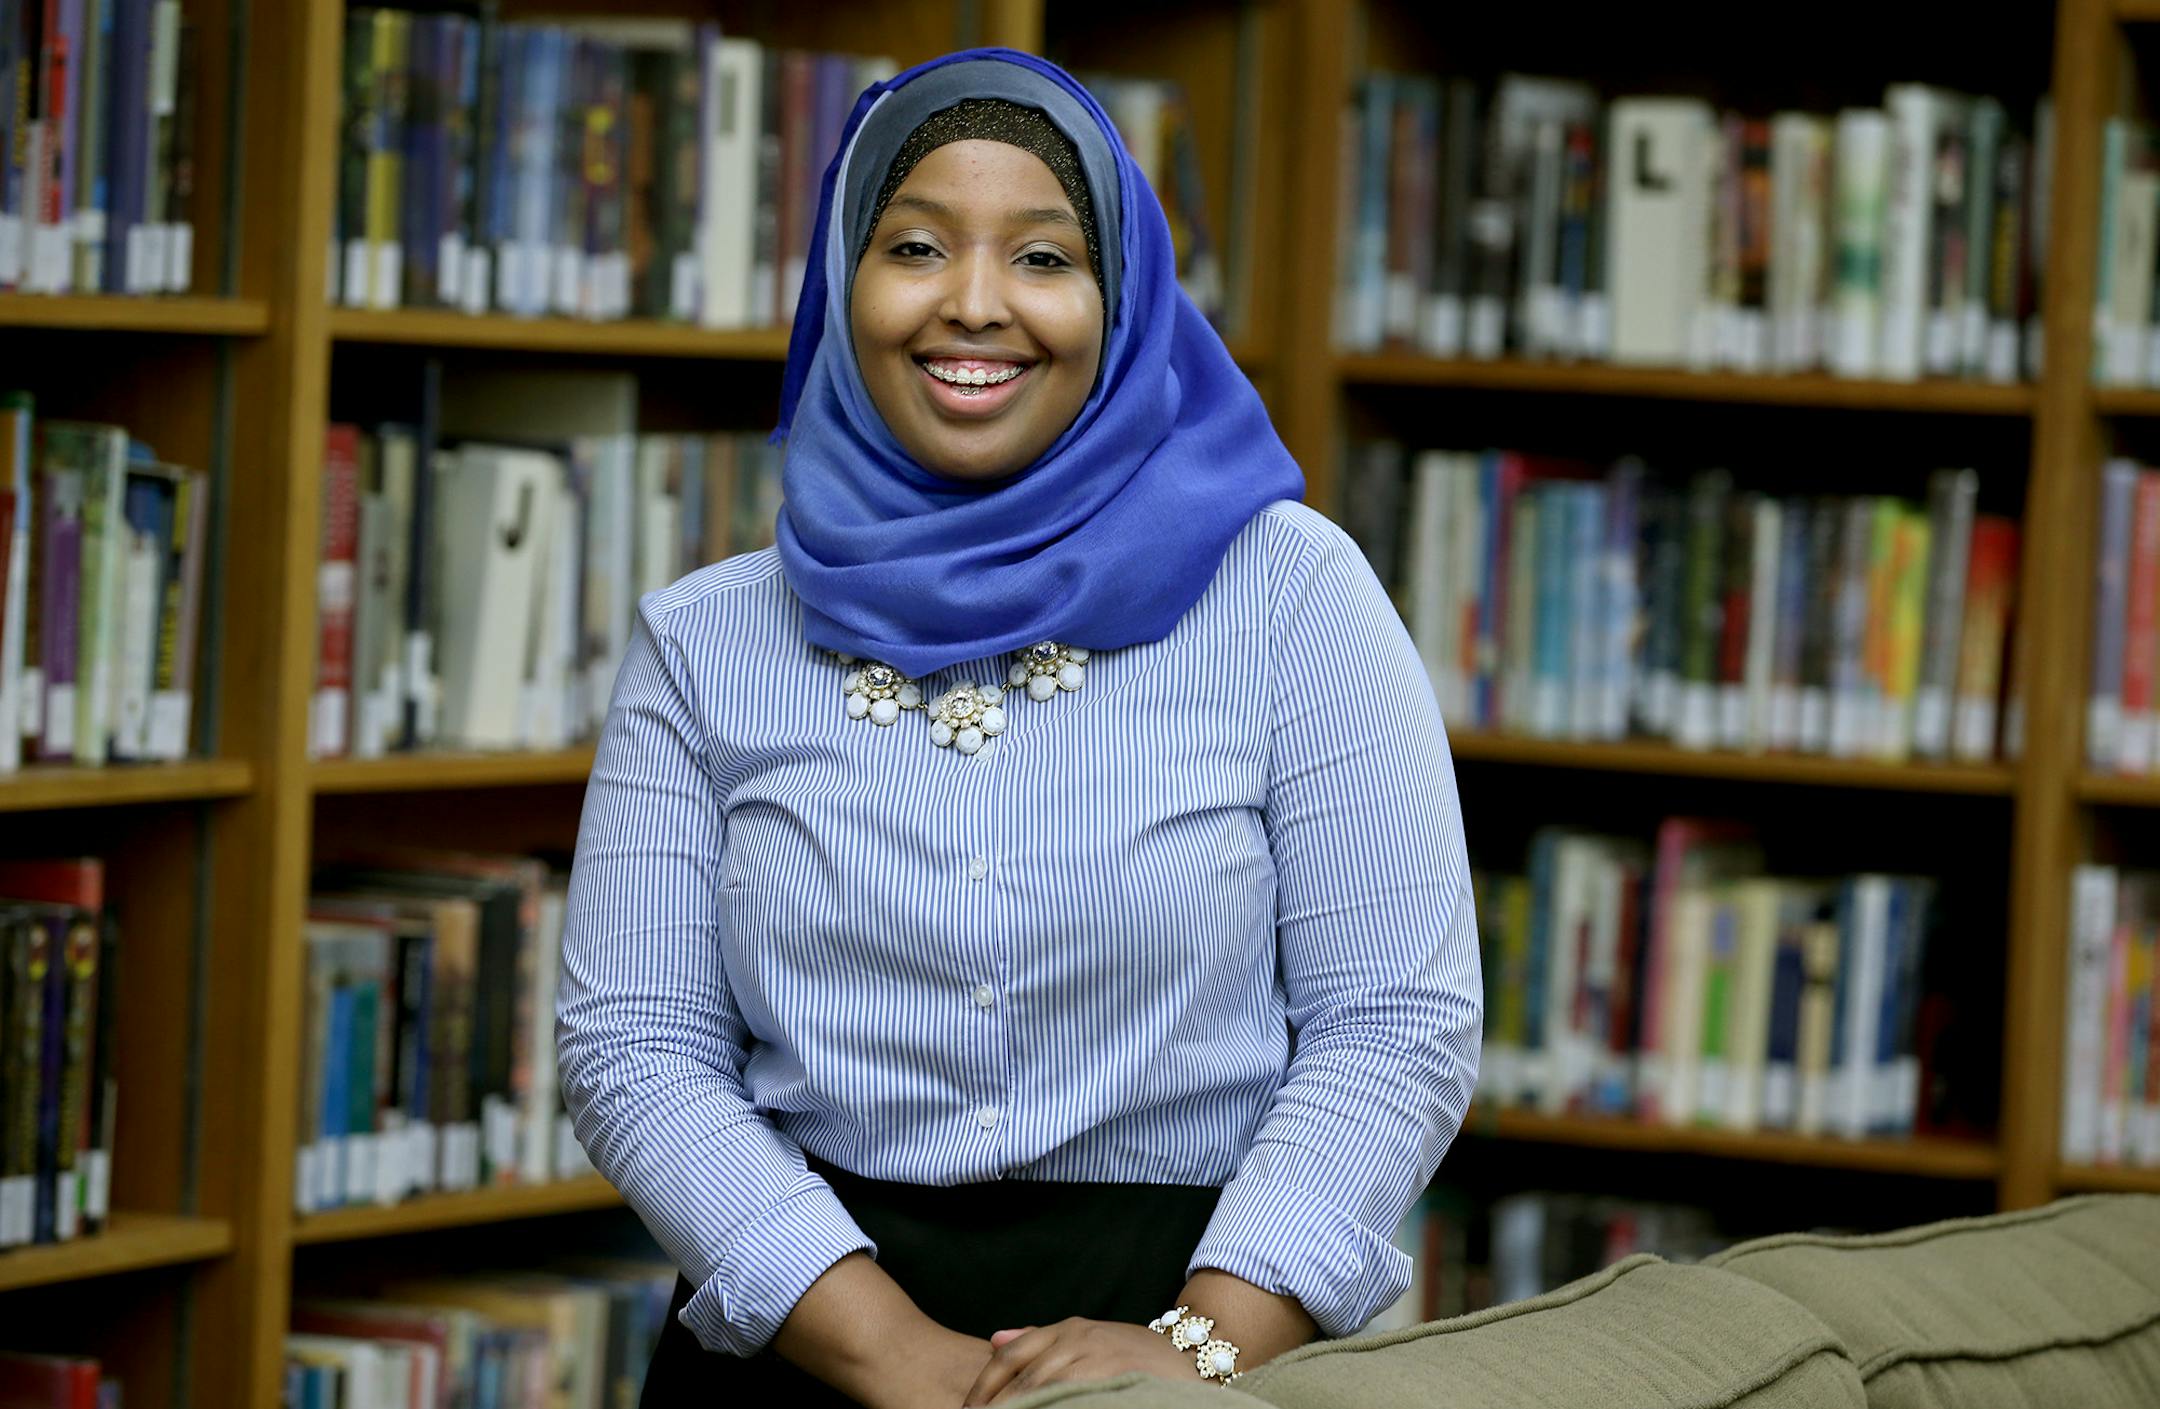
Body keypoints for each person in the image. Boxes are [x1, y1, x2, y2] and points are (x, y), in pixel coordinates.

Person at [556, 47, 1481, 1409]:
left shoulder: (1291, 595)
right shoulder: (707, 642)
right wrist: (893, 1352)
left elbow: (1395, 1019)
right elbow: (632, 1044)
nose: (975, 304)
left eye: (1044, 259)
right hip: (800, 1357)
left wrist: (1196, 1347)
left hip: (1195, 1343)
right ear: (842, 285)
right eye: (916, 246)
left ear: (1124, 300)